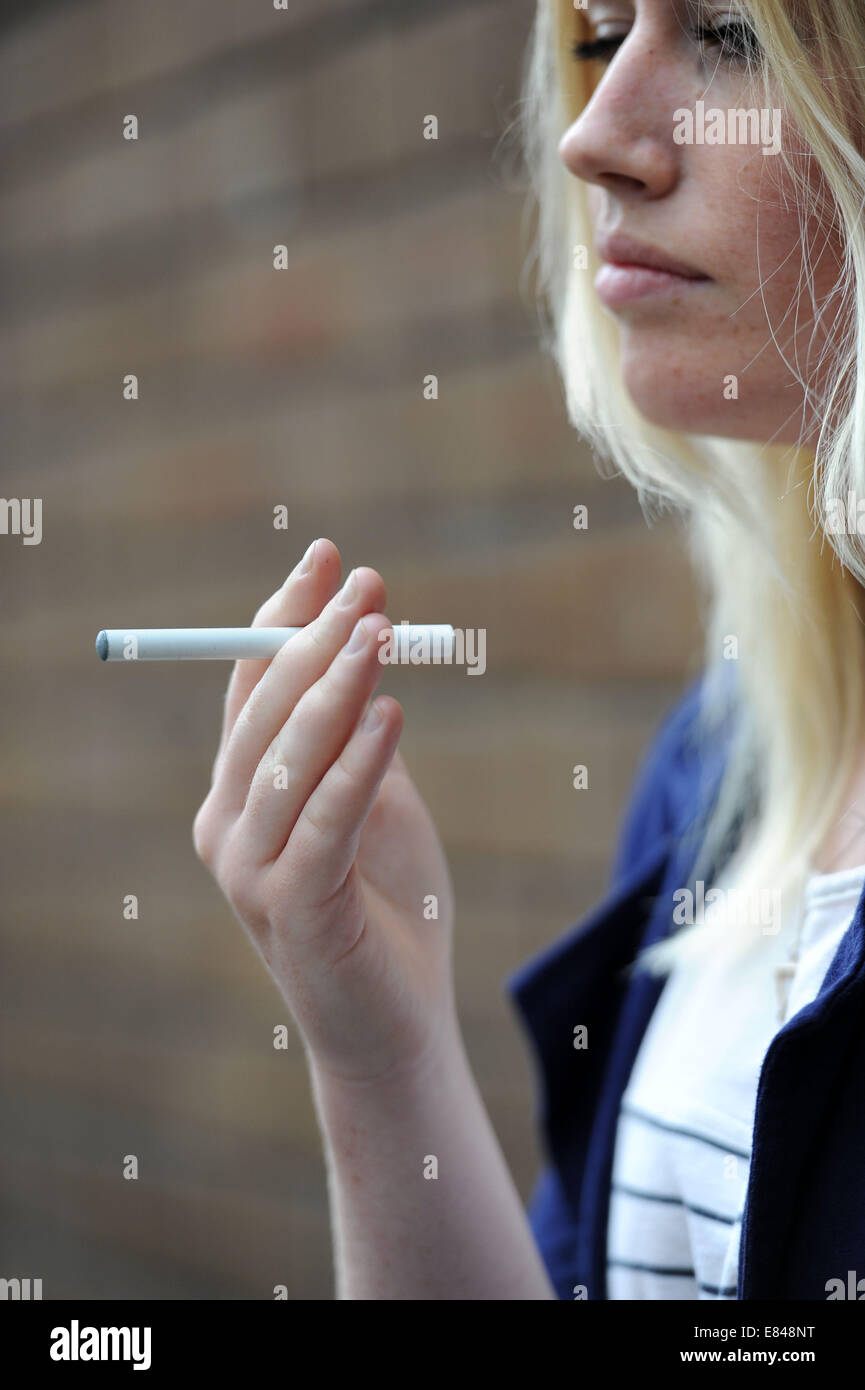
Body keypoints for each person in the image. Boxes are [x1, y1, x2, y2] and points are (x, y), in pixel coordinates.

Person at [192, 0, 865, 1300]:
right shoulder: (726, 765)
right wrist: (380, 1054)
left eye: (729, 35)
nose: (596, 134)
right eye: (602, 33)